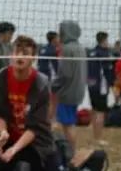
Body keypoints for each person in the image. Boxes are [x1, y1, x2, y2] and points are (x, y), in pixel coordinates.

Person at [0, 35, 57, 171]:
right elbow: (0, 114)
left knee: (52, 164)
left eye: (25, 53)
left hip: (37, 142)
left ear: (33, 58)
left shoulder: (41, 84)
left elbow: (35, 128)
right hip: (9, 138)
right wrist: (3, 133)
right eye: (16, 52)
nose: (20, 57)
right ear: (11, 55)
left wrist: (14, 150)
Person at [50, 20, 86, 153]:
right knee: (69, 123)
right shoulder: (80, 47)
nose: (60, 34)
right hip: (78, 90)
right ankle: (71, 151)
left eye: (62, 31)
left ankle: (72, 152)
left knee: (68, 125)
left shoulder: (67, 48)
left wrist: (53, 86)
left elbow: (64, 73)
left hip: (67, 92)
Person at [87, 31, 113, 145]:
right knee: (100, 113)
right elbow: (108, 71)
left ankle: (94, 136)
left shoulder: (91, 52)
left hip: (91, 84)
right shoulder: (104, 53)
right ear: (104, 40)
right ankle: (97, 139)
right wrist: (112, 85)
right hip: (101, 86)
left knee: (94, 110)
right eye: (107, 40)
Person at [37, 31, 59, 121]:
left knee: (44, 100)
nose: (59, 40)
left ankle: (45, 118)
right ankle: (50, 120)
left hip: (41, 77)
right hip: (50, 78)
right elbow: (56, 67)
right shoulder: (53, 50)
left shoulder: (42, 48)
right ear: (53, 39)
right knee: (53, 100)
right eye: (58, 38)